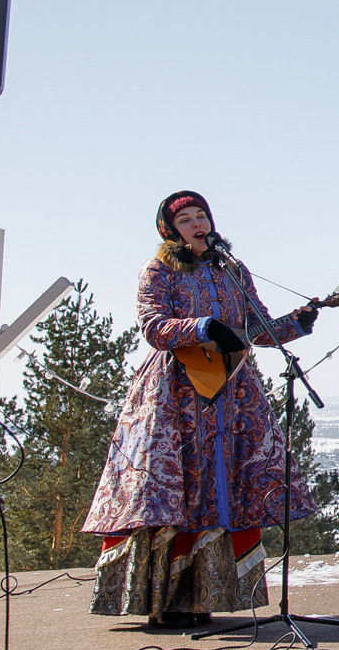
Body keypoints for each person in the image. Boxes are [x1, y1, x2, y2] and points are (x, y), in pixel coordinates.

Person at [83, 191, 321, 626]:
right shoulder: (158, 269)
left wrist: (299, 321)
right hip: (175, 394)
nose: (197, 224)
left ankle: (207, 597)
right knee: (179, 490)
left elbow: (257, 328)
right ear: (171, 229)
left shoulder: (231, 269)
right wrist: (201, 326)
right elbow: (153, 326)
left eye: (202, 216)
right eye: (187, 219)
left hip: (230, 393)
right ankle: (167, 602)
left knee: (221, 486)